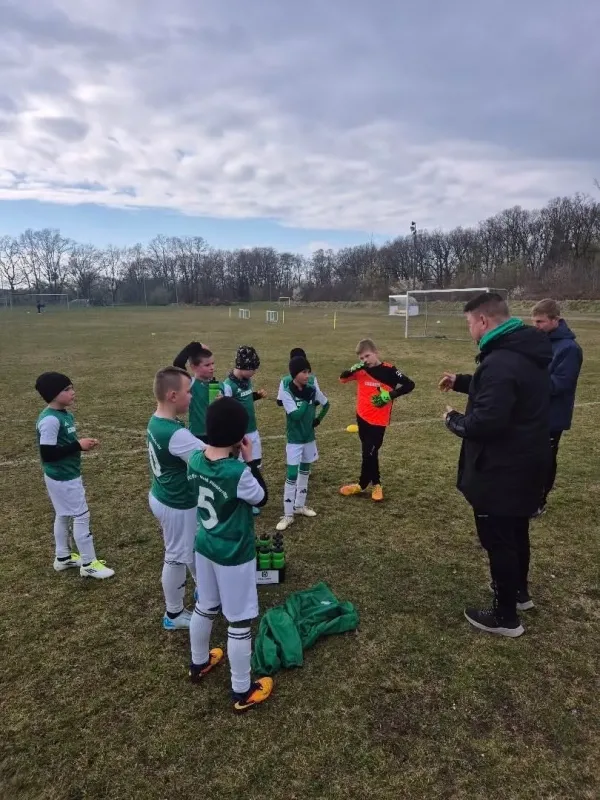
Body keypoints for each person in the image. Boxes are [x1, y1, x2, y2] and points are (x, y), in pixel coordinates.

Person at [441, 292, 552, 637]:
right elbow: (499, 389)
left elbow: (487, 422)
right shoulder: (522, 352)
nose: (470, 329)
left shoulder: (501, 361)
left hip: (502, 470)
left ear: (483, 321)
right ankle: (518, 593)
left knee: (499, 538)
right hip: (527, 462)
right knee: (517, 530)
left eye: (470, 323)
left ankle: (506, 617)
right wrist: (462, 382)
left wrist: (453, 420)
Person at [187, 397, 273, 714]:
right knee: (238, 621)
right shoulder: (237, 472)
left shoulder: (195, 459)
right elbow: (261, 499)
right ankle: (242, 689)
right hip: (234, 553)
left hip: (205, 545)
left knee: (205, 606)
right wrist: (251, 462)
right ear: (240, 438)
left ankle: (198, 662)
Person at [35, 372, 115, 579]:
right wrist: (77, 445)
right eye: (66, 390)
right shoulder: (51, 420)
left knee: (63, 513)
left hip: (64, 475)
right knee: (81, 515)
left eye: (72, 387)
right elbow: (48, 453)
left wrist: (77, 445)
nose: (73, 392)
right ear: (53, 394)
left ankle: (63, 557)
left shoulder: (64, 414)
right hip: (63, 477)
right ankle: (89, 563)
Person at [147, 366, 206, 630]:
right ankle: (174, 614)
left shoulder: (158, 420)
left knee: (190, 544)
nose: (191, 396)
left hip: (163, 494)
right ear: (172, 396)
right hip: (176, 503)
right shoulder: (175, 434)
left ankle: (203, 589)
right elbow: (210, 457)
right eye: (188, 392)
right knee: (176, 555)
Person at [339, 338, 415, 502]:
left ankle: (373, 484)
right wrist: (349, 370)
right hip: (362, 417)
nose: (365, 360)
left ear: (375, 352)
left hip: (378, 421)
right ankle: (364, 484)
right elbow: (343, 379)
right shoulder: (360, 370)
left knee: (369, 452)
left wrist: (391, 395)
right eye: (361, 358)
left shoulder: (389, 370)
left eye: (367, 356)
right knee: (368, 453)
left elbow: (410, 384)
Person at [531, 299, 583, 514]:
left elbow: (561, 383)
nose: (536, 326)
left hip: (552, 415)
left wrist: (529, 382)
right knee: (530, 456)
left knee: (545, 458)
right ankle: (527, 495)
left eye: (540, 322)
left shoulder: (570, 348)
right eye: (534, 321)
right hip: (534, 411)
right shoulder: (541, 341)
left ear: (556, 320)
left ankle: (539, 501)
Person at [275, 353, 330, 531]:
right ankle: (288, 514)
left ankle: (300, 506)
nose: (308, 376)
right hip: (294, 440)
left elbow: (326, 404)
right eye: (303, 372)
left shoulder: (312, 386)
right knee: (292, 475)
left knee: (305, 472)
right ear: (294, 374)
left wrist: (318, 419)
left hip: (309, 438)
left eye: (308, 371)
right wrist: (307, 400)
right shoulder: (287, 391)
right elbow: (296, 416)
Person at [223, 345, 267, 514]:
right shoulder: (228, 386)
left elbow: (244, 399)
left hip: (252, 430)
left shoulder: (246, 380)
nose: (254, 372)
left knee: (255, 463)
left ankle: (252, 498)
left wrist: (256, 395)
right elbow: (226, 409)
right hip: (239, 434)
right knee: (240, 467)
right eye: (253, 369)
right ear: (243, 367)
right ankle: (240, 500)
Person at [173, 342, 223, 441]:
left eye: (213, 363)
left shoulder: (218, 385)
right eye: (207, 365)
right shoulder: (190, 383)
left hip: (217, 432)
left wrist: (223, 402)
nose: (212, 367)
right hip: (198, 435)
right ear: (193, 367)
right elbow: (178, 363)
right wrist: (195, 345)